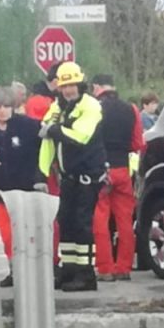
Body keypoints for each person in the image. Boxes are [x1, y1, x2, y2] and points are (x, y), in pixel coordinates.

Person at [38, 61, 106, 292]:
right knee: (65, 222)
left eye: (72, 85)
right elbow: (46, 136)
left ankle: (86, 275)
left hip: (87, 177)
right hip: (67, 177)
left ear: (80, 84)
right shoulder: (59, 106)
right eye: (64, 86)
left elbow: (80, 136)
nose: (68, 90)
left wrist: (54, 129)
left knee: (82, 225)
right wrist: (42, 172)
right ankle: (69, 270)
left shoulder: (91, 106)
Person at [0, 86, 42, 287]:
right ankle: (14, 270)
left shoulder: (28, 126)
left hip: (25, 188)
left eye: (6, 106)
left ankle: (31, 269)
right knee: (7, 234)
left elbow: (43, 152)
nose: (2, 111)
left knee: (27, 232)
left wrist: (40, 177)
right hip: (0, 189)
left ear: (13, 106)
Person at [91, 74, 144, 282]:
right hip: (123, 169)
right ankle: (124, 267)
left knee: (100, 220)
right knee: (124, 221)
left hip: (101, 170)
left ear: (96, 88)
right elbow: (138, 143)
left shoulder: (93, 108)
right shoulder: (131, 109)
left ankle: (105, 268)